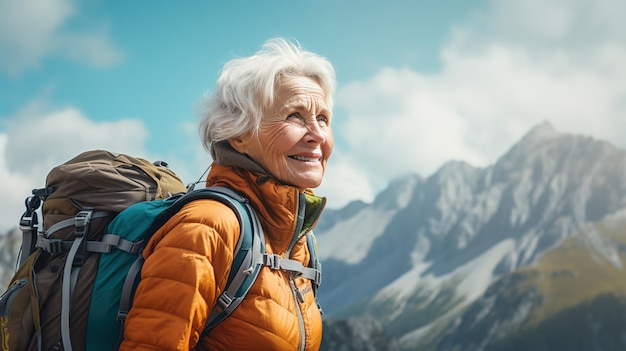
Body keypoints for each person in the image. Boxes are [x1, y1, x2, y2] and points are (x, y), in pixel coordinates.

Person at [118, 37, 335, 351]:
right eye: (294, 116)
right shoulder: (209, 226)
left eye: (323, 119)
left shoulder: (298, 240)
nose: (316, 135)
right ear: (238, 136)